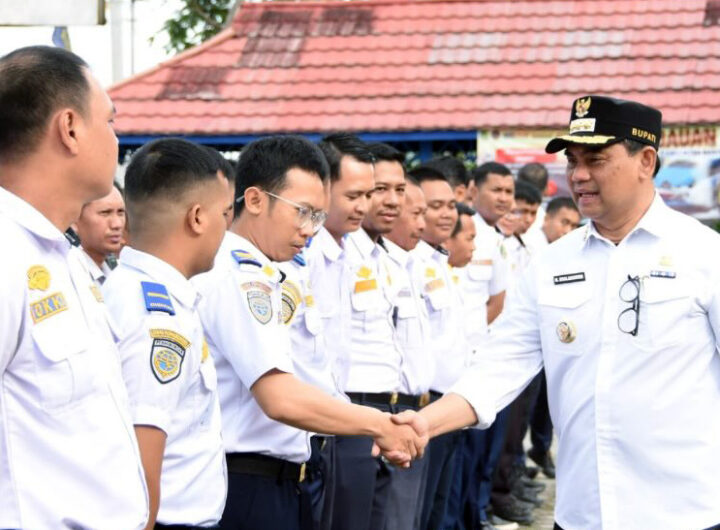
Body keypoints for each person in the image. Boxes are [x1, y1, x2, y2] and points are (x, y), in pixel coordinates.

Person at [394, 95, 720, 530]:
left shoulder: (704, 255)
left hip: (684, 512)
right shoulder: (551, 263)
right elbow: (499, 366)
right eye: (572, 161)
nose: (579, 175)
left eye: (596, 160)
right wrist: (423, 424)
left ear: (646, 161)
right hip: (584, 512)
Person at [193, 135, 425, 530]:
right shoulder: (239, 276)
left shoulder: (272, 271)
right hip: (248, 481)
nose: (310, 229)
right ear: (255, 200)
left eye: (318, 215)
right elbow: (280, 398)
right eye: (302, 212)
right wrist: (379, 425)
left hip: (287, 472)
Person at [0, 46, 148, 529]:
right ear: (69, 128)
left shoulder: (63, 257)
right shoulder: (7, 253)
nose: (116, 138)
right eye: (110, 121)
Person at [103, 138, 229, 528]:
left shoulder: (138, 291)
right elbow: (142, 457)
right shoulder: (157, 316)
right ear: (197, 218)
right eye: (225, 213)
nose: (227, 227)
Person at [373, 143, 433, 530]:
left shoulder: (409, 264)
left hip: (418, 411)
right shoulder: (372, 265)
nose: (423, 224)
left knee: (410, 516)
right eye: (418, 213)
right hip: (386, 413)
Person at [72, 182, 126, 285]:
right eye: (105, 213)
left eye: (120, 212)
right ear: (75, 219)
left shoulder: (120, 274)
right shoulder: (65, 272)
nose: (117, 224)